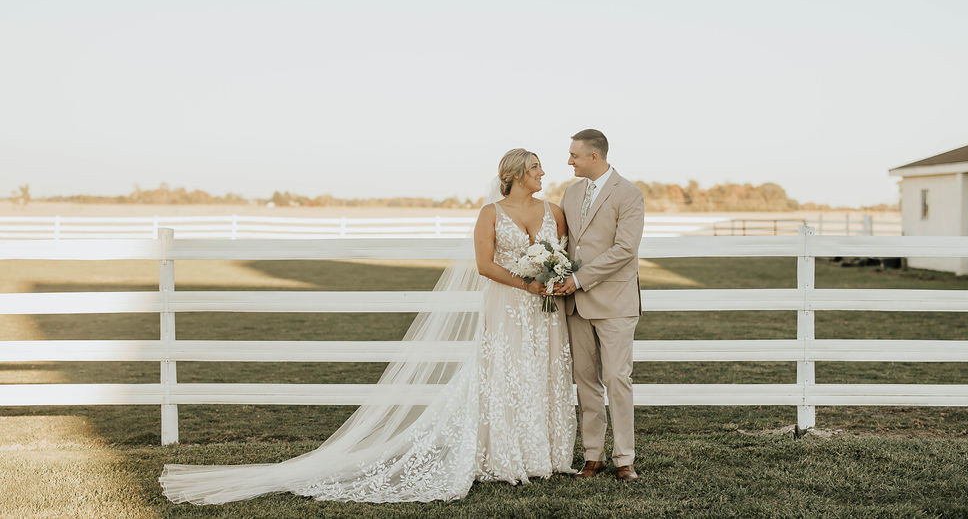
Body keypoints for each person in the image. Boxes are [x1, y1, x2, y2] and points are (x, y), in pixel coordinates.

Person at [159, 148, 576, 505]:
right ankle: (504, 455)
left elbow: (560, 253)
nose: (543, 173)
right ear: (518, 173)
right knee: (504, 374)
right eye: (536, 167)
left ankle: (545, 454)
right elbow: (485, 265)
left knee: (542, 374)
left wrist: (552, 280)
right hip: (506, 306)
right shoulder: (490, 214)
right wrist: (528, 283)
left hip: (545, 313)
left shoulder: (553, 211)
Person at [553, 129, 645, 482]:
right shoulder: (571, 192)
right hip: (576, 306)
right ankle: (594, 455)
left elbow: (624, 250)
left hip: (615, 303)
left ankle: (625, 458)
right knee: (585, 381)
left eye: (574, 155)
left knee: (617, 378)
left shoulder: (629, 194)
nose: (569, 161)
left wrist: (578, 279)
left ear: (595, 156)